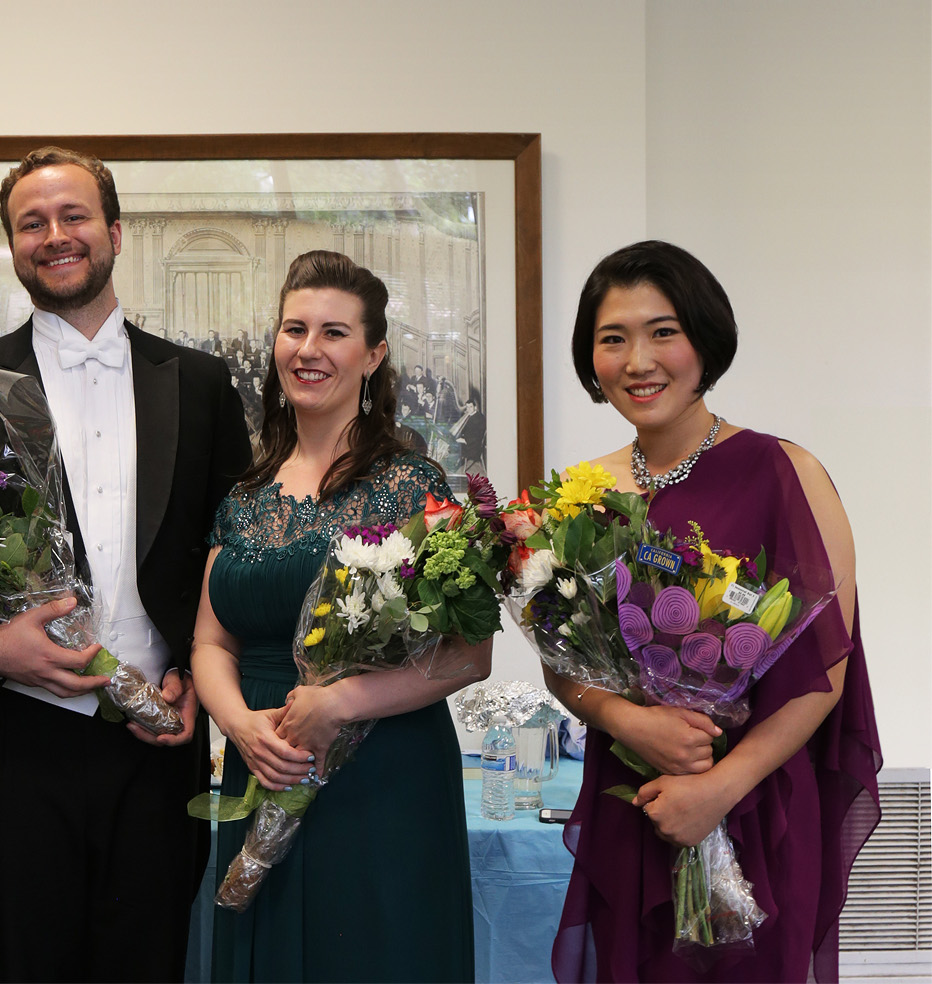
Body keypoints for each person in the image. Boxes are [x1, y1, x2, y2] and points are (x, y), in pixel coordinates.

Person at [0, 146, 252, 982]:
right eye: (33, 223)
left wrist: (196, 679)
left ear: (115, 232)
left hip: (157, 738)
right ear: (13, 243)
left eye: (73, 217)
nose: (54, 236)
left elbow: (232, 552)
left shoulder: (201, 382)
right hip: (7, 746)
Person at [545, 240, 881, 982]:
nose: (639, 360)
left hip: (754, 803)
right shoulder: (578, 495)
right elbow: (560, 661)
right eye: (613, 338)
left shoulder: (786, 470)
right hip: (637, 799)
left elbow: (828, 664)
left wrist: (718, 789)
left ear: (705, 339)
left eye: (663, 331)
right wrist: (628, 721)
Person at [191, 250, 488, 983]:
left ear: (373, 353)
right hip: (262, 759)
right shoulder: (244, 493)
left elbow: (469, 654)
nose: (309, 349)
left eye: (334, 332)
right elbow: (208, 641)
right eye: (294, 329)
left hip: (383, 777)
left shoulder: (416, 485)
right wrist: (241, 725)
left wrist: (341, 702)